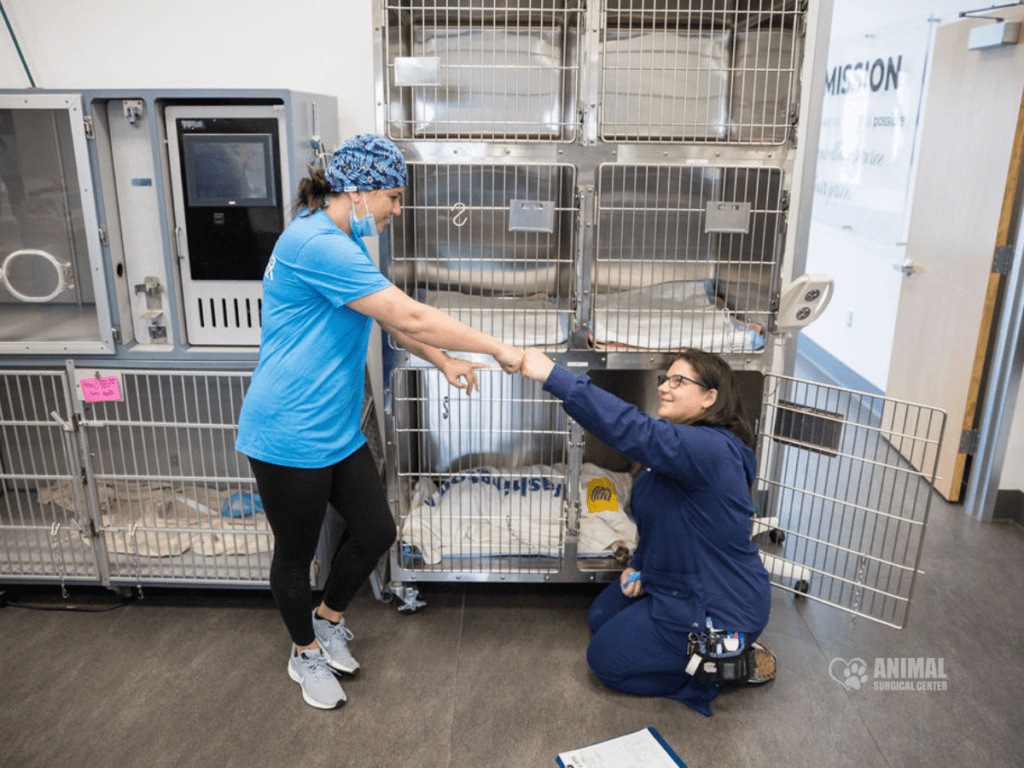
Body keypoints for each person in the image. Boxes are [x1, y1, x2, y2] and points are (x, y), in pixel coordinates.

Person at [236, 134, 523, 710]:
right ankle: (304, 652)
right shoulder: (316, 243)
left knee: (376, 532)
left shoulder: (345, 238)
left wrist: (442, 359)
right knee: (295, 554)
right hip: (288, 427)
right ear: (359, 190)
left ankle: (327, 619)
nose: (397, 208)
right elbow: (409, 311)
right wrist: (498, 348)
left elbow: (390, 320)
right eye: (393, 196)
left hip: (335, 425)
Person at [519, 346, 773, 716]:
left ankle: (718, 668)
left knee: (604, 661)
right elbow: (659, 521)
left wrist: (553, 376)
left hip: (717, 608)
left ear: (709, 397)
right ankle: (707, 653)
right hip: (676, 583)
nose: (665, 388)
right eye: (664, 379)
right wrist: (639, 565)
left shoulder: (709, 449)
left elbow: (632, 428)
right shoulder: (679, 448)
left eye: (679, 381)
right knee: (601, 616)